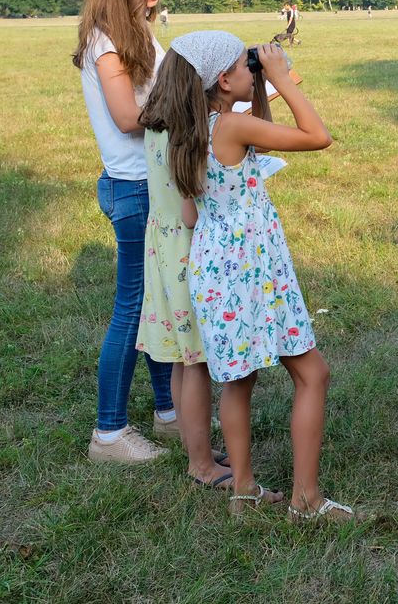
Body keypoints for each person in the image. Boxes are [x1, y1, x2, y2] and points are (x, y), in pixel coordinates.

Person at [153, 29, 353, 522]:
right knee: (313, 374)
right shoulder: (232, 127)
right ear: (223, 80)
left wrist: (259, 84)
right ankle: (306, 500)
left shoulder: (189, 132)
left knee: (239, 381)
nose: (255, 70)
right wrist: (282, 78)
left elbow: (191, 215)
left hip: (213, 270)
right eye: (247, 66)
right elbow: (317, 136)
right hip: (255, 268)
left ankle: (243, 492)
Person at [73, 0, 176, 463]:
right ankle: (109, 434)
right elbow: (129, 117)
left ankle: (168, 413)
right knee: (133, 309)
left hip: (151, 184)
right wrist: (189, 102)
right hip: (133, 190)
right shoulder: (105, 41)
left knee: (157, 303)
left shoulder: (137, 30)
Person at [132, 112, 231, 489]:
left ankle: (196, 449)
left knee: (181, 357)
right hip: (187, 251)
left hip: (162, 246)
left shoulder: (156, 126)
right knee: (196, 361)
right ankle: (202, 465)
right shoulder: (186, 134)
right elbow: (191, 214)